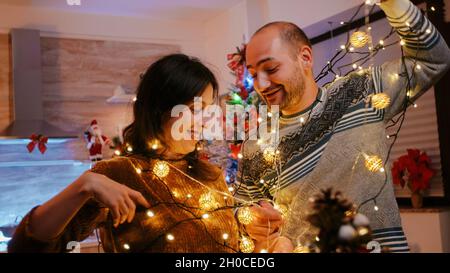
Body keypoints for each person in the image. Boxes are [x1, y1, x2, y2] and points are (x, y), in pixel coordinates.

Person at [236, 0, 450, 252]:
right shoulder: (256, 145)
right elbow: (241, 209)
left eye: (271, 69)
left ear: (305, 57)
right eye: (253, 74)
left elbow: (434, 59)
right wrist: (249, 221)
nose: (261, 84)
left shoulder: (361, 91)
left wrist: (393, 3)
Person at [8, 54, 241, 253]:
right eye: (193, 110)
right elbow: (25, 248)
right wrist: (84, 184)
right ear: (158, 109)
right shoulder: (119, 174)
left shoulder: (211, 176)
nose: (204, 121)